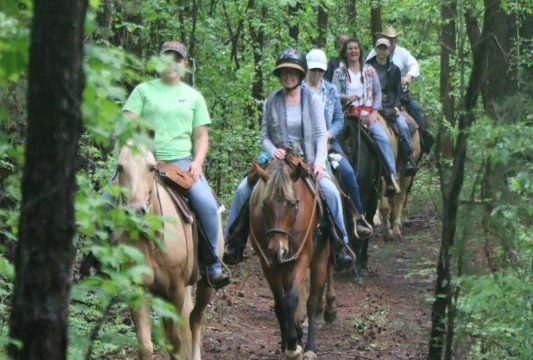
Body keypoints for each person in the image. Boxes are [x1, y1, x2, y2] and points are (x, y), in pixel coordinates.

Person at [224, 48, 354, 269]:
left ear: (300, 74)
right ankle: (232, 242)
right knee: (242, 190)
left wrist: (320, 163)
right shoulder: (271, 100)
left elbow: (322, 134)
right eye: (284, 72)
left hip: (306, 159)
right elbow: (264, 135)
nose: (288, 76)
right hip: (275, 160)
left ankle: (341, 243)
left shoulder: (312, 99)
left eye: (293, 72)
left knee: (331, 192)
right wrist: (272, 149)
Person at [122, 41, 230, 289]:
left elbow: (202, 136)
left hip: (180, 163)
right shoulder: (142, 91)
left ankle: (212, 264)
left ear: (184, 64)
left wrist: (197, 162)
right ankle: (100, 258)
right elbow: (128, 123)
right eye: (167, 58)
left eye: (177, 59)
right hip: (145, 159)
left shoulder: (193, 97)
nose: (172, 63)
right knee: (109, 196)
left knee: (206, 204)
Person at [303, 48, 372, 238]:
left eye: (320, 70)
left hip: (329, 143)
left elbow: (339, 120)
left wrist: (329, 134)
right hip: (302, 145)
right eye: (313, 69)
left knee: (348, 173)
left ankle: (357, 217)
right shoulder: (298, 90)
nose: (317, 74)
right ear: (306, 69)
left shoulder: (331, 90)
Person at [331, 38, 400, 196]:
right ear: (345, 52)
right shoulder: (338, 72)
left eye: (356, 48)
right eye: (350, 49)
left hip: (367, 116)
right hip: (346, 115)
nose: (353, 51)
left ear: (360, 51)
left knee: (382, 138)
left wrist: (375, 110)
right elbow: (333, 94)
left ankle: (390, 175)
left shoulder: (369, 71)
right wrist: (346, 97)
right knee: (332, 140)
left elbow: (377, 93)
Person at [367, 26, 433, 150]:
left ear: (395, 40)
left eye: (392, 39)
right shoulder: (373, 54)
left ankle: (423, 138)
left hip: (398, 93)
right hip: (376, 95)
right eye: (387, 39)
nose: (390, 42)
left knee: (416, 111)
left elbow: (414, 65)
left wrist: (408, 77)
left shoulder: (402, 53)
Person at [367, 38, 416, 175]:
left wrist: (396, 105)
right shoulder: (367, 67)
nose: (382, 51)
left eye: (384, 48)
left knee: (403, 126)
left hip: (389, 105)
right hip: (371, 105)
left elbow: (397, 91)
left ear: (389, 51)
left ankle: (407, 158)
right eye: (379, 48)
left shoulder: (394, 69)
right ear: (375, 49)